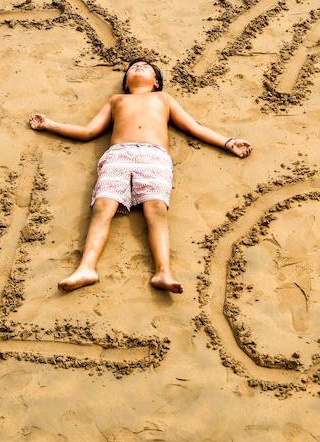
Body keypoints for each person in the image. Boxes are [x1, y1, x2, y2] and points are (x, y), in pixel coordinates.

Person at [28, 60, 252, 293]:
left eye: (146, 66)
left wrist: (227, 142)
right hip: (118, 155)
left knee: (156, 208)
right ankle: (86, 268)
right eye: (133, 67)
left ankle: (163, 271)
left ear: (156, 82)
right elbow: (88, 131)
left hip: (153, 156)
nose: (139, 67)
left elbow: (193, 127)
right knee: (103, 205)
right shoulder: (117, 100)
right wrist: (50, 124)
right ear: (126, 82)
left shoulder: (163, 99)